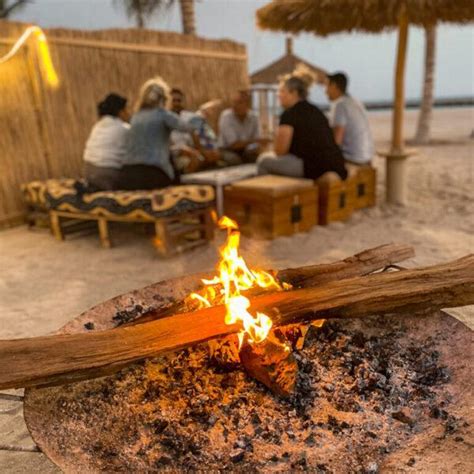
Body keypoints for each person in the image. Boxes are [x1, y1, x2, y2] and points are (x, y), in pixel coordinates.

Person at [257, 67, 348, 182]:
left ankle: (269, 198)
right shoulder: (316, 110)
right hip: (336, 164)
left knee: (263, 161)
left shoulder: (289, 114)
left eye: (282, 91)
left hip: (314, 167)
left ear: (294, 93)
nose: (278, 95)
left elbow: (280, 151)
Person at [120, 77, 198, 190]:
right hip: (153, 174)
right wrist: (201, 114)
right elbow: (188, 127)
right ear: (164, 99)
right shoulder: (163, 114)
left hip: (129, 174)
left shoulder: (135, 117)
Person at [83, 93, 130, 190]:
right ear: (120, 112)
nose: (128, 113)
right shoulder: (124, 129)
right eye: (126, 110)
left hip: (88, 172)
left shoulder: (97, 126)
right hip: (108, 175)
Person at [326, 72, 374, 166]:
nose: (325, 92)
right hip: (367, 157)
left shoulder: (340, 105)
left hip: (354, 159)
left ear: (334, 86)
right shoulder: (355, 102)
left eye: (327, 87)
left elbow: (337, 141)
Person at [218, 90, 264, 164]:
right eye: (234, 102)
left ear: (248, 104)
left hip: (245, 150)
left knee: (260, 160)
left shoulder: (254, 117)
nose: (235, 105)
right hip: (226, 150)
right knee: (234, 160)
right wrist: (255, 141)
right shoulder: (226, 116)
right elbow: (233, 144)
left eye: (239, 102)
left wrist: (256, 146)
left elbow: (257, 141)